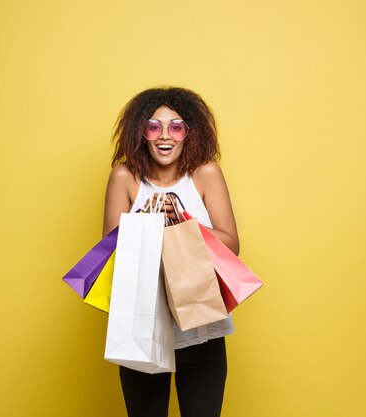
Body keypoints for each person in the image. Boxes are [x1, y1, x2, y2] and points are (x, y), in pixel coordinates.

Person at [103, 86, 240, 417]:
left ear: (189, 133)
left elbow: (232, 244)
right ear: (142, 132)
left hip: (200, 325)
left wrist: (182, 219)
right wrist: (147, 223)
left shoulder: (205, 174)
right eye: (154, 126)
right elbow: (109, 253)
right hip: (142, 323)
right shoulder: (124, 177)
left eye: (176, 126)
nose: (165, 135)